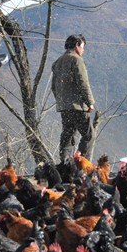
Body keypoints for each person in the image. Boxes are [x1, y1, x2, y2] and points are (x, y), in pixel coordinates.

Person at [51, 34, 95, 163]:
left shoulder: (57, 62)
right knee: (89, 135)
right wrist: (90, 102)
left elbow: (54, 86)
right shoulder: (76, 60)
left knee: (67, 135)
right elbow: (83, 83)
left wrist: (61, 101)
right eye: (82, 47)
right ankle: (81, 164)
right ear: (77, 45)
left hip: (64, 107)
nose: (83, 50)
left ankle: (65, 163)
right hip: (77, 106)